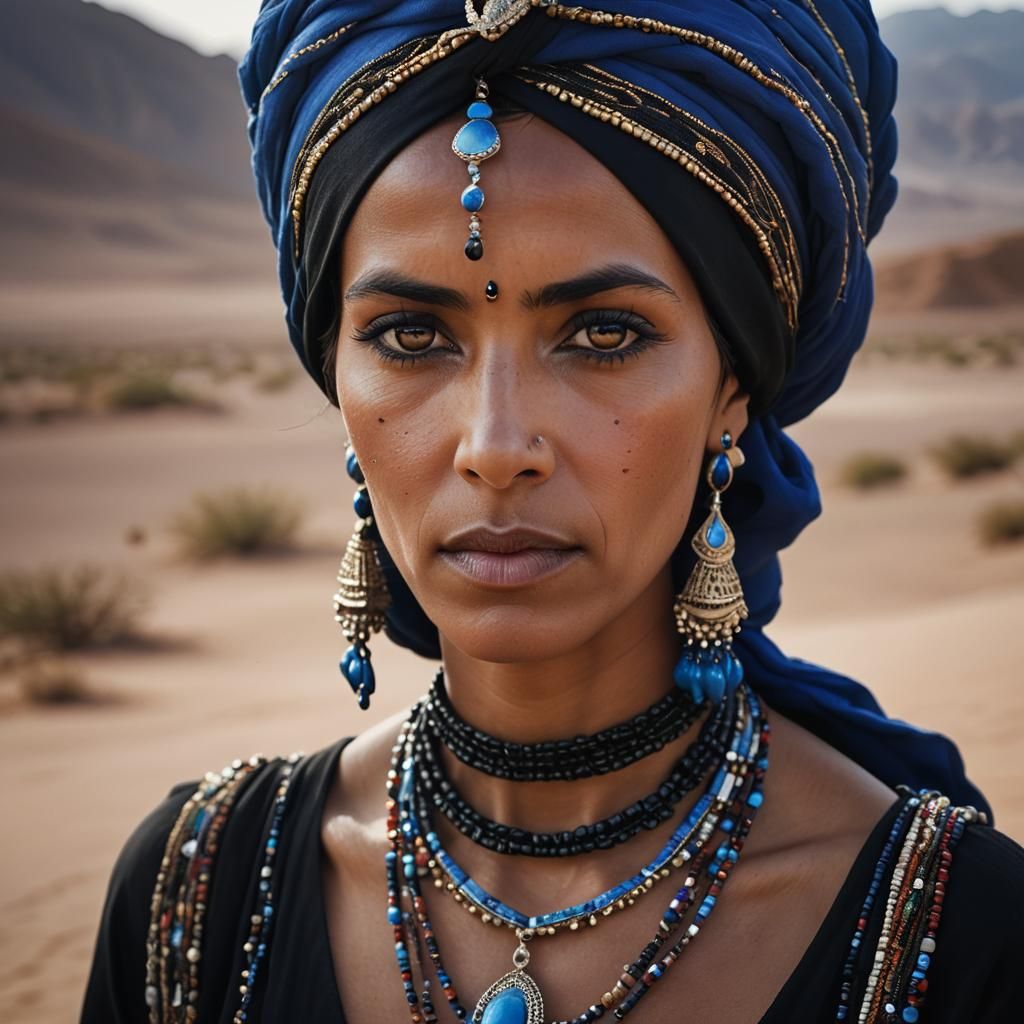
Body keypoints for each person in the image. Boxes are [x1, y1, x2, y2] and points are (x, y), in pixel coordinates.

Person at [81, 3, 1024, 1023]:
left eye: (604, 335)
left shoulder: (966, 937)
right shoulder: (195, 898)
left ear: (733, 388)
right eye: (409, 336)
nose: (495, 447)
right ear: (335, 375)